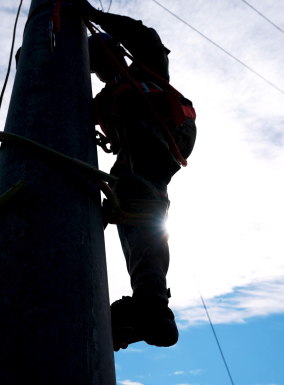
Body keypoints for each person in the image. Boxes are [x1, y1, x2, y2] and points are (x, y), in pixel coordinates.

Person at [77, 1, 197, 351]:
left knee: (136, 190)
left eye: (104, 57)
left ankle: (151, 305)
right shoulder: (99, 103)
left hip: (164, 128)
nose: (103, 69)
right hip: (139, 155)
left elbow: (143, 36)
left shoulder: (147, 70)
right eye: (96, 65)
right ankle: (146, 303)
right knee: (126, 199)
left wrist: (93, 16)